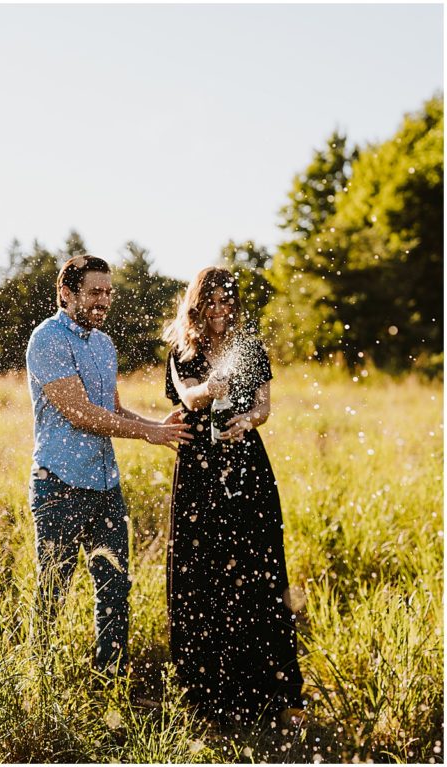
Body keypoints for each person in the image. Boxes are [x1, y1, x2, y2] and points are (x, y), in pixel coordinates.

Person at [26, 254, 192, 677]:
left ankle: (111, 678)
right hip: (59, 484)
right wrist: (147, 434)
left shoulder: (103, 344)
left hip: (105, 486)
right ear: (67, 294)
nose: (104, 300)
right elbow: (79, 413)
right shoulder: (47, 340)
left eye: (108, 292)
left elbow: (111, 409)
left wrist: (157, 426)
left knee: (116, 588)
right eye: (94, 291)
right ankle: (37, 680)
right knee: (53, 590)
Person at [162, 266, 305, 725]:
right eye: (212, 303)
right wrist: (209, 389)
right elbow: (185, 398)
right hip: (200, 471)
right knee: (202, 569)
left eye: (227, 302)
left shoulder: (252, 348)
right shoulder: (182, 350)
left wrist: (249, 421)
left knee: (259, 567)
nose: (220, 311)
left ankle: (274, 694)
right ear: (197, 305)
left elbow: (263, 406)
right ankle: (209, 697)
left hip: (247, 468)